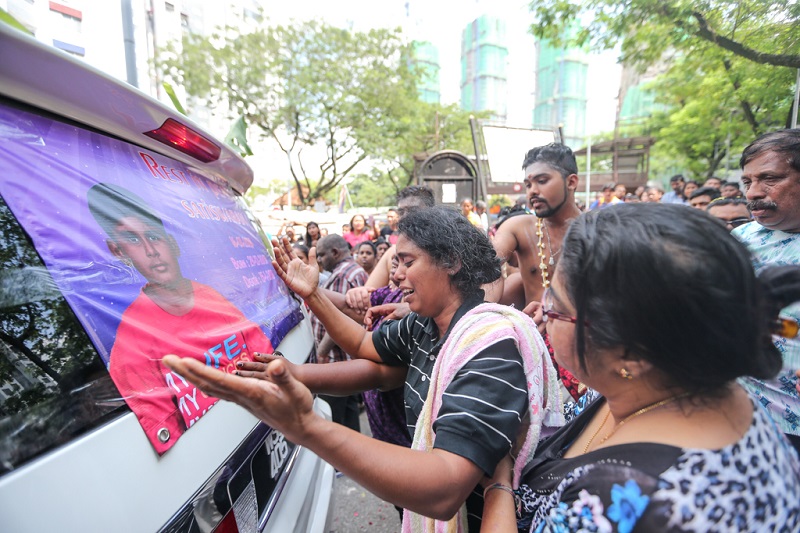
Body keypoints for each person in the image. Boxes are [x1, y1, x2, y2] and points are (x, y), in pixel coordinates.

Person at [164, 206, 563, 532]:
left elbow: (443, 490)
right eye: (395, 261)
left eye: (406, 261)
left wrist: (306, 427)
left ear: (452, 263)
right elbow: (362, 346)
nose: (395, 273)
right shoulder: (426, 323)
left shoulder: (488, 346)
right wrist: (313, 295)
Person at [482, 203, 800, 531]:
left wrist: (498, 481)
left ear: (632, 353)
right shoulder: (681, 377)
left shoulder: (627, 497)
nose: (540, 313)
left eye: (556, 307)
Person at [87, 182, 273, 454]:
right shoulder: (131, 342)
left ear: (172, 242)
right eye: (133, 240)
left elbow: (266, 360)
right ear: (118, 251)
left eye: (154, 236)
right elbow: (173, 444)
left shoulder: (213, 297)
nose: (151, 250)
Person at [489, 143, 586, 401]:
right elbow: (485, 265)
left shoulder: (596, 231)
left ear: (572, 182)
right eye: (528, 184)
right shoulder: (519, 227)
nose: (533, 191)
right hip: (531, 346)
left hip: (582, 350)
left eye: (542, 181)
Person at [733, 128, 800, 451]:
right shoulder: (739, 239)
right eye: (747, 182)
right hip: (736, 416)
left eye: (769, 178)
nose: (753, 193)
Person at [344, 185, 436, 314]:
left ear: (431, 212)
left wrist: (411, 311)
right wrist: (357, 294)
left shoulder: (439, 253)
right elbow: (366, 301)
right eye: (401, 212)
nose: (405, 217)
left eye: (413, 210)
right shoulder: (392, 253)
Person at [310, 234, 369, 431]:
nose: (318, 261)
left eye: (321, 255)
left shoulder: (342, 275)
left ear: (334, 253)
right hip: (347, 360)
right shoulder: (354, 270)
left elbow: (337, 318)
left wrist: (322, 352)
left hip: (336, 361)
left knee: (337, 424)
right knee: (349, 419)